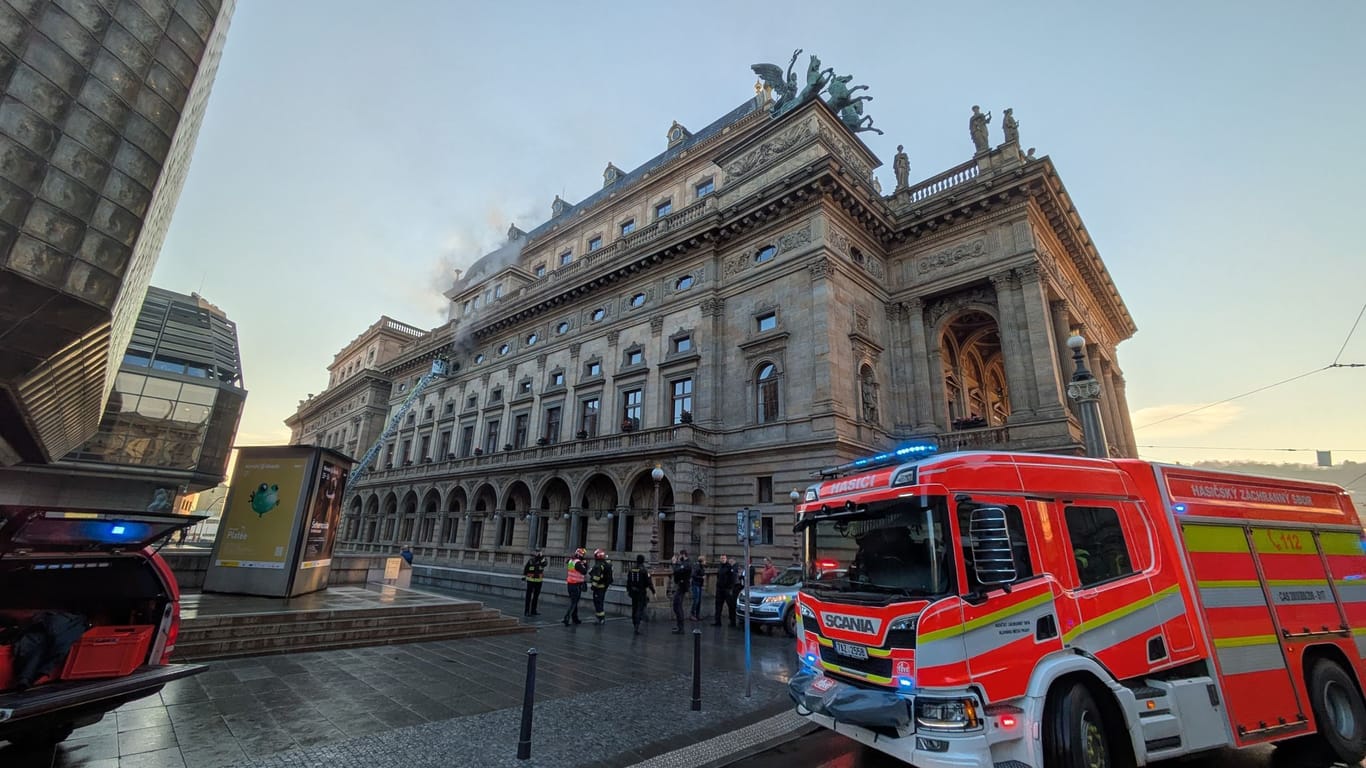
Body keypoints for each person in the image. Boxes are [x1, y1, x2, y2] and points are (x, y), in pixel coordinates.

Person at [625, 554, 655, 635]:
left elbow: (628, 581)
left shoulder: (631, 569)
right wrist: (653, 591)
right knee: (639, 608)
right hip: (641, 592)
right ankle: (637, 626)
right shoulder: (644, 570)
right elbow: (649, 582)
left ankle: (634, 623)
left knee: (634, 608)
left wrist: (628, 590)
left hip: (633, 592)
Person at [562, 547, 588, 626]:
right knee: (574, 603)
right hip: (576, 585)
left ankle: (575, 618)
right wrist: (585, 564)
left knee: (574, 602)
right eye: (583, 555)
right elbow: (584, 571)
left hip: (570, 584)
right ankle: (566, 618)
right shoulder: (578, 563)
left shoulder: (571, 561)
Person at [588, 548, 614, 625]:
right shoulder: (606, 564)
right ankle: (600, 618)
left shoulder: (599, 565)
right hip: (604, 587)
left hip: (598, 587)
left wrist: (593, 587)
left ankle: (600, 618)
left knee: (598, 603)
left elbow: (596, 577)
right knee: (600, 602)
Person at [522, 549, 548, 617]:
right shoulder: (531, 560)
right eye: (537, 552)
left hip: (538, 581)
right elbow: (526, 569)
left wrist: (542, 557)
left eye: (539, 552)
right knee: (528, 597)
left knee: (536, 597)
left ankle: (533, 610)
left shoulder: (542, 560)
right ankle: (526, 611)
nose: (538, 553)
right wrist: (524, 576)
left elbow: (545, 563)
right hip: (530, 581)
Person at [670, 550, 691, 633]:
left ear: (683, 555)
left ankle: (681, 628)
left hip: (682, 587)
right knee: (677, 606)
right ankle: (679, 626)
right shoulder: (683, 563)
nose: (679, 557)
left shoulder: (687, 564)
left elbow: (677, 571)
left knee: (677, 606)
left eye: (679, 556)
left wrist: (674, 563)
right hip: (680, 585)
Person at [713, 555, 737, 627]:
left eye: (724, 558)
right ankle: (717, 621)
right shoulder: (720, 566)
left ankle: (732, 621)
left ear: (726, 559)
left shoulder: (729, 567)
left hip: (727, 589)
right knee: (718, 605)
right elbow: (718, 576)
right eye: (721, 558)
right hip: (720, 589)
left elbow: (733, 578)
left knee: (731, 606)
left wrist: (730, 588)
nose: (722, 559)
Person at [690, 554, 707, 621]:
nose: (706, 562)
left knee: (699, 601)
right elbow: (693, 575)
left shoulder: (701, 566)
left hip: (699, 585)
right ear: (702, 561)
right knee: (696, 600)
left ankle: (697, 615)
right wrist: (701, 577)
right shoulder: (697, 566)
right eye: (705, 560)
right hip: (696, 584)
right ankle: (692, 614)